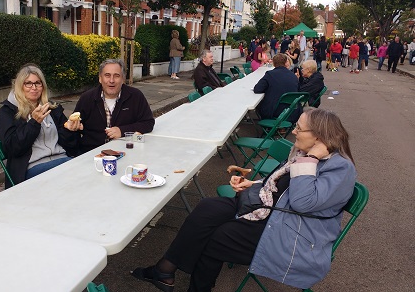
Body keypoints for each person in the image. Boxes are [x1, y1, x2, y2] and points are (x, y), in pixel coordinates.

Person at [131, 107, 356, 292]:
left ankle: (186, 283)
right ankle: (164, 270)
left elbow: (302, 203)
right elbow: (281, 184)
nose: (294, 131)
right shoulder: (303, 153)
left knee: (215, 237)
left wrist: (313, 158)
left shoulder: (340, 168)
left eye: (299, 128)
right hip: (265, 208)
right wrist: (254, 184)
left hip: (286, 229)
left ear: (318, 137)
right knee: (207, 207)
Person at [0, 64, 77, 188]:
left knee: (80, 167)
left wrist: (70, 130)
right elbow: (13, 148)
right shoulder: (7, 112)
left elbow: (71, 144)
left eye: (38, 83)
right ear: (19, 86)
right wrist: (34, 123)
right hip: (31, 168)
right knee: (71, 167)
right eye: (28, 83)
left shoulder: (52, 108)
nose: (34, 88)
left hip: (61, 158)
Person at [69, 59, 155, 155]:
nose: (111, 80)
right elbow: (74, 128)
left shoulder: (135, 96)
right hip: (92, 154)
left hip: (125, 152)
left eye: (116, 76)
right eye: (107, 75)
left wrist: (122, 131)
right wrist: (73, 127)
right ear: (100, 78)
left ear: (123, 79)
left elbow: (148, 123)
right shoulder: (87, 98)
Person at [253, 53, 299, 120]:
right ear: (286, 62)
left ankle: (268, 126)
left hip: (274, 111)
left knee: (259, 106)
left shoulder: (270, 74)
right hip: (292, 111)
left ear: (273, 64)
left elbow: (257, 89)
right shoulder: (293, 76)